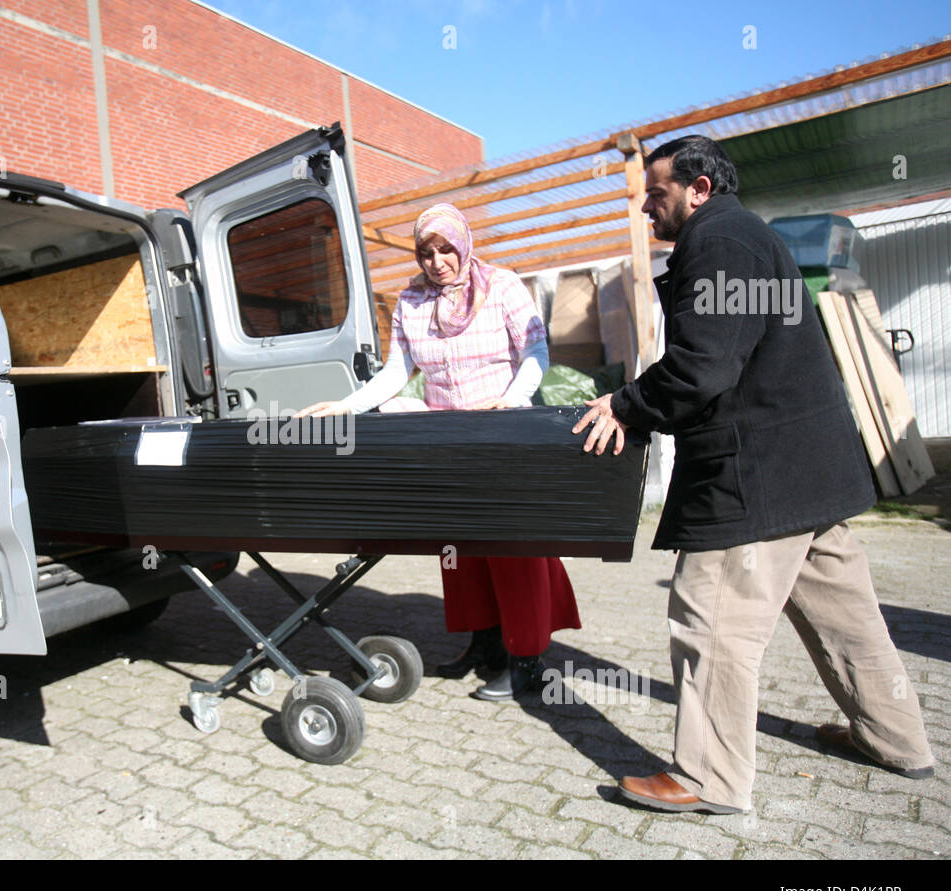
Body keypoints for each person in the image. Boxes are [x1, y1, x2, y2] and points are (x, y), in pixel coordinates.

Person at [574, 135, 935, 814]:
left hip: (754, 478)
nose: (649, 209)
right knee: (848, 619)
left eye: (657, 193)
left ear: (699, 188)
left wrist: (626, 405)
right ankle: (899, 741)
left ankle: (707, 777)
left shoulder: (718, 242)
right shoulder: (746, 237)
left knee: (709, 618)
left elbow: (704, 366)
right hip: (807, 475)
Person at [299, 202, 580, 700]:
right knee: (460, 550)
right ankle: (485, 645)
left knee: (512, 550)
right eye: (426, 252)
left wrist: (512, 399)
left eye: (445, 248)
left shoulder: (503, 286)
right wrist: (344, 406)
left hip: (502, 434)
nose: (437, 261)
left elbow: (536, 351)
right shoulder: (411, 301)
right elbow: (395, 371)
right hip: (449, 440)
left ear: (463, 243)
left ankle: (528, 662)